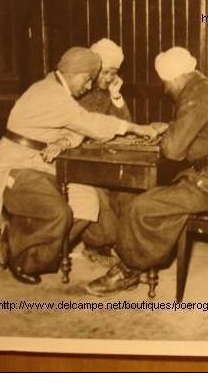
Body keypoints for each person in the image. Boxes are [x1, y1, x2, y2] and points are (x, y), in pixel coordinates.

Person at [0, 46, 160, 285]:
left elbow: (75, 130)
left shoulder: (57, 91)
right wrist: (137, 128)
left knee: (87, 203)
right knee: (59, 213)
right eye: (87, 81)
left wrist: (64, 140)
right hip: (16, 165)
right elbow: (87, 122)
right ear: (77, 74)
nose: (88, 87)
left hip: (41, 162)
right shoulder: (50, 93)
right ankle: (22, 257)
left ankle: (23, 237)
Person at [85, 47, 208, 295]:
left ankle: (129, 269)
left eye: (165, 83)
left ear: (175, 78)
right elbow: (200, 128)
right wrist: (173, 126)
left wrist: (170, 135)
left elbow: (172, 151)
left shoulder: (195, 95)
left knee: (140, 206)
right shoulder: (204, 88)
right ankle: (135, 258)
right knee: (152, 197)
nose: (165, 89)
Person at [76, 38, 133, 265]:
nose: (109, 78)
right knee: (100, 194)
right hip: (75, 158)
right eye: (106, 72)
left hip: (98, 157)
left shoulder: (107, 91)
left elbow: (126, 127)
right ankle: (98, 243)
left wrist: (116, 96)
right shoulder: (77, 89)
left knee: (128, 189)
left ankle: (122, 242)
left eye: (114, 73)